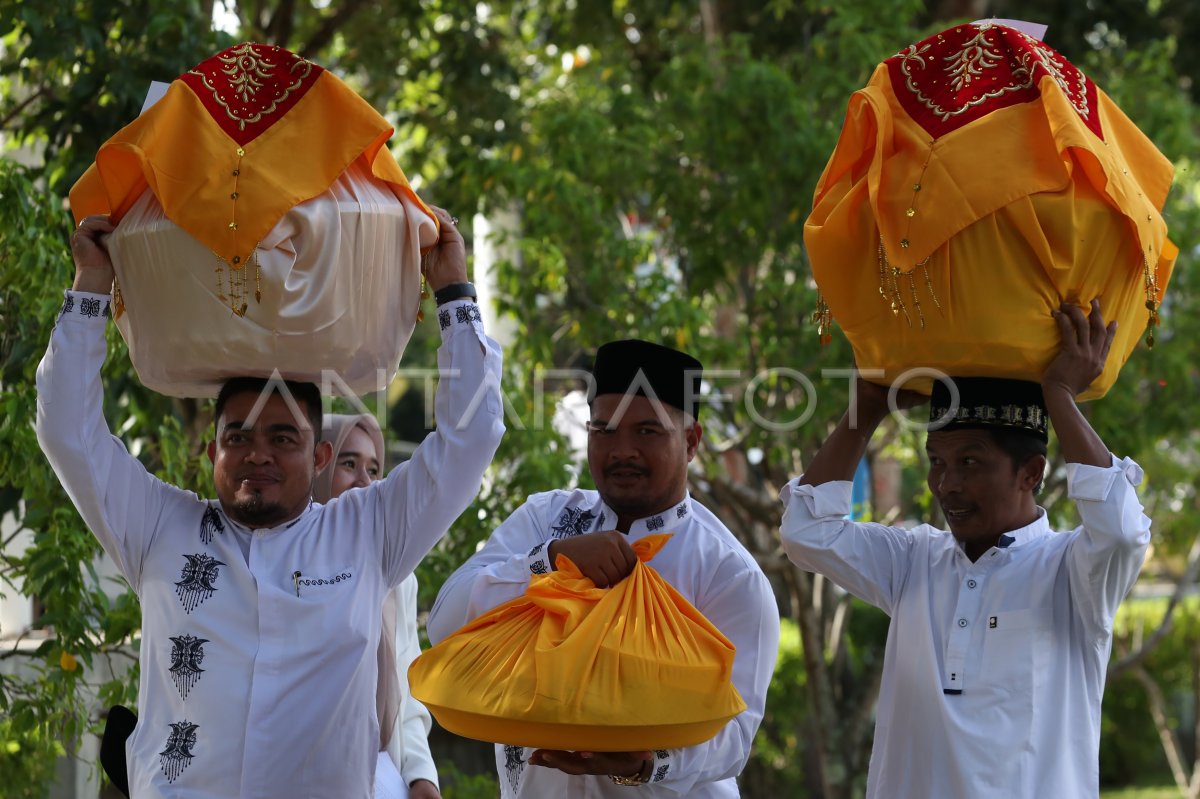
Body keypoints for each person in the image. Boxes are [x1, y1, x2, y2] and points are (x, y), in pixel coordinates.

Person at [37, 208, 504, 798]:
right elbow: (66, 432)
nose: (258, 454)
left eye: (282, 438)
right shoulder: (158, 527)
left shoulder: (368, 531)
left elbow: (474, 436)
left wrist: (454, 292)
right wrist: (89, 290)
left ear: (318, 458)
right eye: (239, 437)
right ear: (212, 451)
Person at [778, 300, 1151, 798]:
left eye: (970, 462)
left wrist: (1059, 395)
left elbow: (1123, 532)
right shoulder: (913, 562)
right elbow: (805, 531)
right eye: (937, 461)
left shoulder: (1072, 572)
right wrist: (864, 411)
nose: (946, 484)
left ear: (1031, 473)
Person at [428, 339, 780, 798]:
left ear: (691, 442)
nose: (622, 450)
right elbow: (446, 623)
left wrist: (648, 763)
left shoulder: (727, 574)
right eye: (605, 430)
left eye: (647, 432)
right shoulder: (545, 521)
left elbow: (734, 737)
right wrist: (551, 560)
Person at [314, 414, 441, 799]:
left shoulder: (395, 576)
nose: (365, 483)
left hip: (380, 771)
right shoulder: (279, 565)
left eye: (374, 469)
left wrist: (421, 775)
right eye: (348, 465)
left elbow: (405, 685)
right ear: (315, 466)